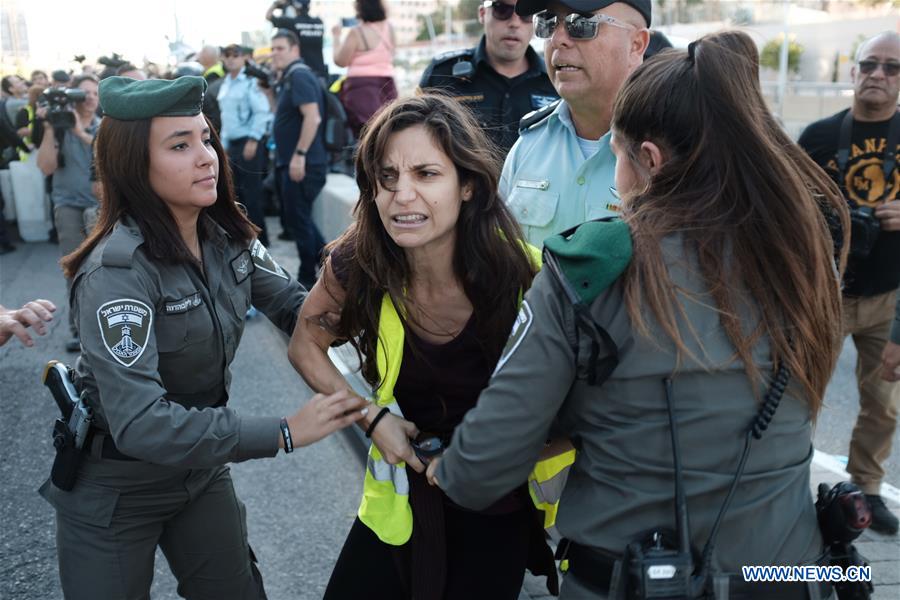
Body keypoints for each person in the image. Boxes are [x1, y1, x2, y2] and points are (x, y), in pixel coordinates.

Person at [427, 31, 849, 599]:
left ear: (647, 160)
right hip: (794, 577)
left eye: (616, 155)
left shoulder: (591, 265)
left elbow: (481, 470)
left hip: (635, 582)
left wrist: (444, 467)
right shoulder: (805, 256)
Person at [39, 76, 367, 599]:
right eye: (180, 145)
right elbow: (142, 424)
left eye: (206, 138)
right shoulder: (117, 272)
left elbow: (295, 309)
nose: (206, 156)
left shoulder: (224, 234)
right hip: (118, 487)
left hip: (198, 473)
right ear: (134, 165)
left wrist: (358, 273)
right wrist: (283, 431)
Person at [288, 94, 562, 599]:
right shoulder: (358, 263)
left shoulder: (527, 277)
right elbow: (305, 345)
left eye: (426, 174)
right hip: (398, 506)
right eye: (387, 177)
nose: (402, 195)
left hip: (494, 505)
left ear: (469, 186)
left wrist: (485, 461)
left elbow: (575, 410)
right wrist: (371, 419)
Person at [798, 31, 900, 536]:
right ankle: (790, 484)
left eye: (892, 68)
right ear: (854, 72)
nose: (879, 74)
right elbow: (790, 211)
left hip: (890, 296)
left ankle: (870, 488)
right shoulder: (818, 136)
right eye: (870, 65)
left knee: (882, 402)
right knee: (800, 394)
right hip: (827, 293)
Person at [500, 0, 649, 247]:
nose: (558, 39)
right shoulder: (528, 145)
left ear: (636, 45)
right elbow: (500, 263)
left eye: (581, 24)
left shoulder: (673, 149)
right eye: (548, 23)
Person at [418, 0, 558, 155]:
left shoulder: (556, 81)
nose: (514, 23)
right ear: (482, 14)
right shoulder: (442, 75)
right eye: (502, 10)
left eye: (525, 14)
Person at [36, 74, 102, 353]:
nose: (88, 97)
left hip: (101, 205)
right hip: (68, 205)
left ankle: (102, 329)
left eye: (93, 93)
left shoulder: (104, 127)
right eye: (82, 92)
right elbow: (46, 167)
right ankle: (79, 331)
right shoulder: (59, 127)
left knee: (102, 269)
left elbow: (109, 157)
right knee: (74, 269)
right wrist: (51, 128)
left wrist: (79, 133)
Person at [269, 29, 327, 289]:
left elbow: (312, 117)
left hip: (302, 162)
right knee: (298, 219)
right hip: (292, 161)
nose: (274, 53)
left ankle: (308, 276)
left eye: (280, 48)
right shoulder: (289, 78)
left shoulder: (300, 75)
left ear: (295, 49)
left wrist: (299, 156)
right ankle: (330, 264)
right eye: (273, 49)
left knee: (299, 221)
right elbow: (282, 116)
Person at [219, 43, 273, 246]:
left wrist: (253, 139)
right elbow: (227, 119)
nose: (231, 59)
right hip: (231, 144)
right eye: (227, 55)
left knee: (252, 194)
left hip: (249, 143)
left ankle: (261, 240)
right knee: (236, 193)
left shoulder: (251, 82)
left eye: (235, 55)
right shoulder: (226, 84)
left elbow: (262, 112)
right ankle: (244, 237)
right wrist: (223, 144)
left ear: (244, 58)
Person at [331, 0, 398, 139]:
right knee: (387, 129)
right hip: (387, 85)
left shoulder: (357, 32)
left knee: (364, 135)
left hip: (361, 89)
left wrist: (336, 37)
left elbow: (340, 61)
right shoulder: (389, 28)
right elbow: (392, 53)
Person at [266, 0, 328, 80]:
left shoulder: (291, 23)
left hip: (301, 73)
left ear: (295, 6)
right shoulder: (319, 22)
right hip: (320, 73)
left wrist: (276, 4)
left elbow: (268, 16)